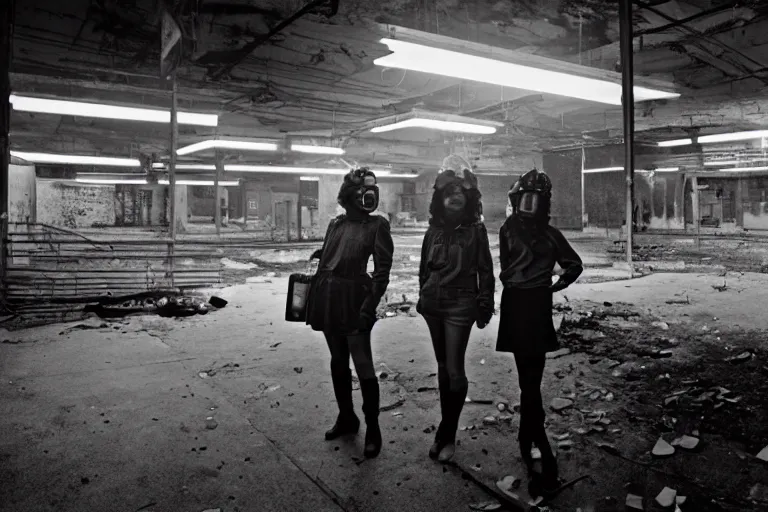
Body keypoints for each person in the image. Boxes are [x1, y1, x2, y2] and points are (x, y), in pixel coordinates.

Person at [496, 169, 583, 493]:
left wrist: (548, 285)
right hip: (529, 303)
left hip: (523, 302)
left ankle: (528, 436)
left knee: (529, 381)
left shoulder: (512, 230)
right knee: (530, 381)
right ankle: (539, 443)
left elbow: (506, 268)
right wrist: (553, 284)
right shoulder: (546, 233)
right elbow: (574, 265)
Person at [305, 168, 394, 458]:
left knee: (363, 363)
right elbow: (331, 252)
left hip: (355, 298)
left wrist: (369, 306)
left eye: (371, 192)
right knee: (338, 360)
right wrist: (323, 256)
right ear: (348, 197)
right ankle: (347, 417)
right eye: (362, 193)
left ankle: (373, 427)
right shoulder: (336, 224)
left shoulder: (377, 226)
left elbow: (382, 273)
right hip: (329, 296)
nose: (369, 198)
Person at [417, 155, 495, 463]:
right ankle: (445, 426)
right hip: (433, 303)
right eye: (449, 193)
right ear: (440, 198)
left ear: (470, 199)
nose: (454, 197)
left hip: (461, 304)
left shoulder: (476, 231)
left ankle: (447, 433)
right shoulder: (432, 231)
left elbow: (486, 271)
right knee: (441, 366)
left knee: (454, 369)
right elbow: (423, 269)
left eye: (460, 194)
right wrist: (422, 296)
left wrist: (485, 303)